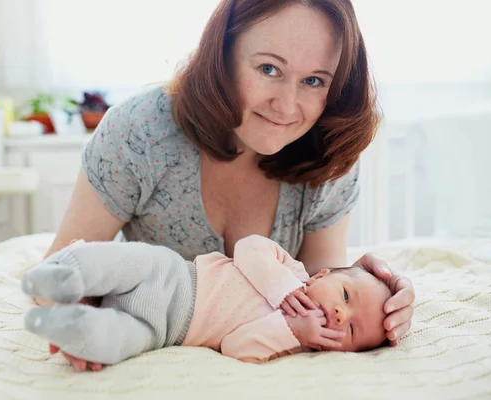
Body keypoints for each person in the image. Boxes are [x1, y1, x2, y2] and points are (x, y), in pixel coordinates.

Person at [39, 0, 414, 353]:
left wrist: (371, 299)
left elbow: (316, 286)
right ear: (222, 55)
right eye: (269, 69)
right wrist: (81, 322)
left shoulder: (329, 154)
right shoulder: (141, 132)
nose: (286, 106)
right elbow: (59, 272)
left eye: (315, 80)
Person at [22, 235, 392, 370]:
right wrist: (281, 288)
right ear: (322, 276)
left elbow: (235, 347)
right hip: (173, 277)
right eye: (346, 295)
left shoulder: (292, 347)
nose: (342, 315)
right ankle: (66, 272)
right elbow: (247, 247)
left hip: (163, 330)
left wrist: (292, 331)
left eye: (353, 331)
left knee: (118, 341)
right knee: (129, 259)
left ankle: (75, 331)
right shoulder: (291, 271)